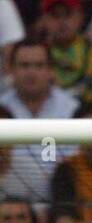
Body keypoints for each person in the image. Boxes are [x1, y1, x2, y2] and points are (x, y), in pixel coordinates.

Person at [0, 38, 79, 205]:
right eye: (24, 65)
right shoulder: (2, 109)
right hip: (9, 205)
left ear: (50, 70)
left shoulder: (71, 110)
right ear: (11, 70)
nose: (31, 73)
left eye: (38, 65)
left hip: (60, 204)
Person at [43, 0, 92, 104]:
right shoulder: (35, 54)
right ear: (46, 19)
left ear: (80, 17)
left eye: (68, 14)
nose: (62, 22)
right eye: (55, 15)